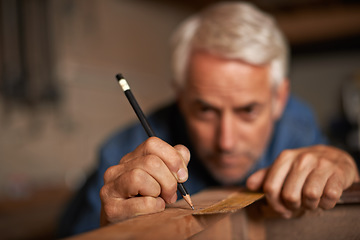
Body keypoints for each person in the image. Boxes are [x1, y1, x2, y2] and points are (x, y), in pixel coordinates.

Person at [58, 1, 359, 237]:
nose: (226, 141)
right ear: (179, 96)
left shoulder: (298, 128)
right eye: (205, 110)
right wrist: (109, 229)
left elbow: (331, 179)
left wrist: (347, 166)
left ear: (280, 99)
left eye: (248, 111)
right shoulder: (121, 155)